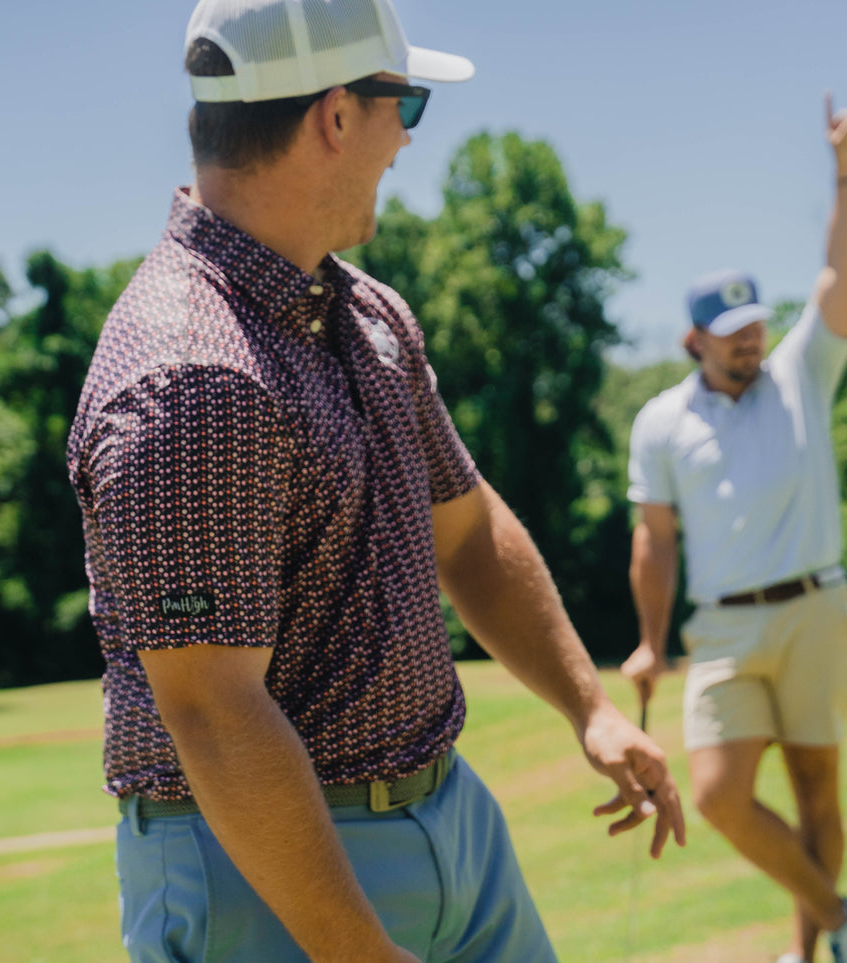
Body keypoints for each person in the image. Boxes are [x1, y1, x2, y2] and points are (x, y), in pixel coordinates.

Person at [66, 1, 686, 961]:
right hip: (270, 879)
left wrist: (591, 707)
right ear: (335, 117)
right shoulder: (189, 372)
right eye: (406, 102)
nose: (406, 137)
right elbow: (211, 708)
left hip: (451, 820)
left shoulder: (369, 313)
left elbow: (467, 534)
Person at [621, 95, 847, 963]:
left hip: (817, 607)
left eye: (757, 326)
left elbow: (837, 274)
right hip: (725, 625)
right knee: (720, 795)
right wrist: (649, 642)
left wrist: (844, 173)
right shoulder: (660, 420)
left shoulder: (801, 372)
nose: (751, 342)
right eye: (731, 333)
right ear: (693, 338)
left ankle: (814, 953)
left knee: (817, 789)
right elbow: (654, 539)